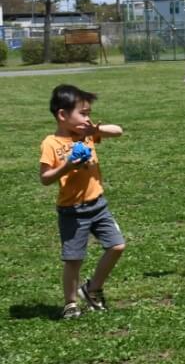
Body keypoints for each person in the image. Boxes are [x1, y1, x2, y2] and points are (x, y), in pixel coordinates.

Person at [39, 85, 125, 319]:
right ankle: (70, 303)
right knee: (74, 259)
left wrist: (94, 128)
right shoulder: (51, 143)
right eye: (83, 113)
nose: (88, 118)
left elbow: (118, 131)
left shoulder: (87, 134)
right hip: (72, 211)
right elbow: (45, 178)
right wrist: (66, 166)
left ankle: (92, 288)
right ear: (63, 115)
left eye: (89, 113)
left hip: (98, 205)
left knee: (117, 246)